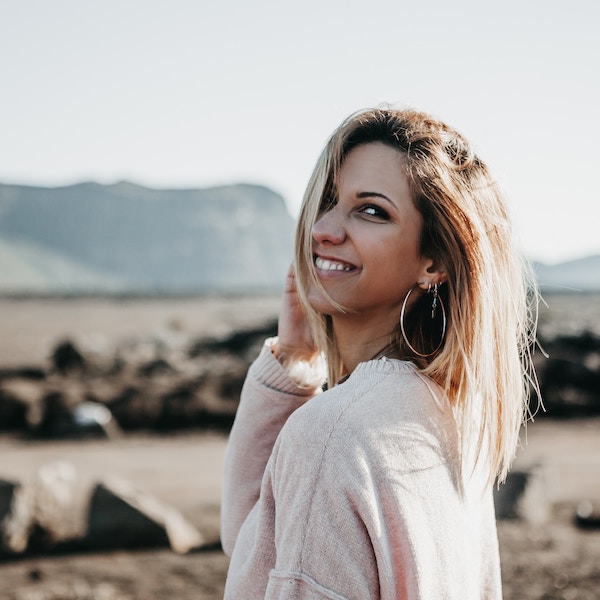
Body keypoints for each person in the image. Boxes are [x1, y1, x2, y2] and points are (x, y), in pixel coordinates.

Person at [220, 107, 538, 599]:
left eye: (371, 210)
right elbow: (255, 548)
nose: (323, 228)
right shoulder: (447, 417)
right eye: (328, 200)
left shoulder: (334, 434)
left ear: (434, 261)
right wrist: (293, 357)